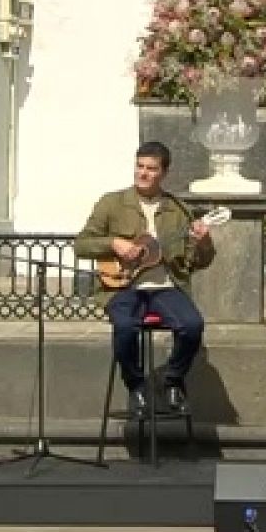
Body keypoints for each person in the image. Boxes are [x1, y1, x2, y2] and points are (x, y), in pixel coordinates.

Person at [75, 141, 217, 419]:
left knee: (192, 325)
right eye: (140, 166)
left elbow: (200, 262)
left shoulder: (179, 211)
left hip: (165, 287)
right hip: (123, 287)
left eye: (151, 169)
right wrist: (114, 243)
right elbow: (81, 244)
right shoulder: (112, 203)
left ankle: (173, 383)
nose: (143, 173)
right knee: (125, 327)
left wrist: (203, 242)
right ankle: (136, 386)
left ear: (164, 172)